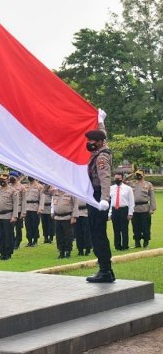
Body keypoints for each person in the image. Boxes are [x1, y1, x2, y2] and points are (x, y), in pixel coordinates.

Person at [85, 109, 114, 283]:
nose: (90, 143)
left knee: (98, 234)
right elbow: (104, 135)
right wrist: (100, 120)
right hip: (97, 196)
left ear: (100, 142)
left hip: (99, 196)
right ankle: (107, 270)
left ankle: (104, 270)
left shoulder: (101, 157)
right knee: (98, 233)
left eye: (93, 141)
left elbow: (105, 179)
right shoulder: (104, 149)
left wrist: (104, 199)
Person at [0, 174, 19, 261]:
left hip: (8, 216)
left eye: (4, 180)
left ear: (8, 180)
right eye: (0, 179)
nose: (2, 181)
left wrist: (14, 216)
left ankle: (8, 253)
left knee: (8, 235)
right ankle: (2, 253)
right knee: (0, 235)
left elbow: (15, 204)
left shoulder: (12, 191)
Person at [50, 187, 79, 258]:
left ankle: (68, 251)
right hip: (57, 217)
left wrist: (74, 216)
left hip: (67, 217)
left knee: (68, 236)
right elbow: (45, 191)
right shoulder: (55, 192)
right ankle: (61, 251)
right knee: (59, 236)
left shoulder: (70, 191)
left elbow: (75, 205)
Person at [129, 170, 156, 248]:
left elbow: (152, 197)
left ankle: (146, 243)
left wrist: (152, 208)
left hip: (145, 208)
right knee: (135, 227)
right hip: (135, 209)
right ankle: (137, 243)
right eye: (137, 174)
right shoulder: (132, 183)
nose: (138, 176)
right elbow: (123, 182)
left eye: (140, 174)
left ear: (144, 175)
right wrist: (131, 174)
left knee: (146, 226)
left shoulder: (148, 184)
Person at [108, 172, 134, 251]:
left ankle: (125, 246)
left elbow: (131, 202)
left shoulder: (128, 189)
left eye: (118, 178)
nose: (117, 180)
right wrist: (110, 213)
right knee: (116, 229)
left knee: (124, 229)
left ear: (122, 178)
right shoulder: (111, 188)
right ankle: (117, 246)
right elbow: (111, 202)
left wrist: (130, 213)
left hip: (124, 210)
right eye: (115, 178)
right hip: (115, 210)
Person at [22, 177, 43, 247]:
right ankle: (29, 240)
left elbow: (42, 198)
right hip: (27, 208)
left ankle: (35, 240)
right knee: (27, 225)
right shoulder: (26, 186)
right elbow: (24, 199)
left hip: (35, 208)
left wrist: (40, 208)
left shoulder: (39, 186)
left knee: (35, 225)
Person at [9, 173, 25, 250]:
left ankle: (17, 242)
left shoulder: (21, 187)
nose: (11, 178)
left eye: (13, 176)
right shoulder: (8, 186)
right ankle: (12, 241)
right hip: (10, 210)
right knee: (10, 228)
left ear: (17, 177)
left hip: (18, 210)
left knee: (18, 228)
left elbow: (24, 201)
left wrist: (23, 212)